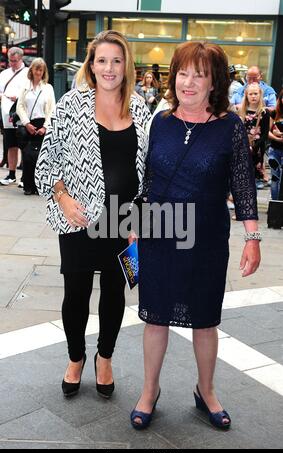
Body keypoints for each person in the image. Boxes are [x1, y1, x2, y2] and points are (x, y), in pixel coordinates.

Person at [130, 41, 261, 431]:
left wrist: (252, 238)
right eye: (183, 73)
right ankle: (149, 390)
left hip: (205, 238)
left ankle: (206, 391)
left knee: (205, 321)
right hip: (159, 234)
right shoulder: (162, 122)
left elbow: (243, 184)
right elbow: (149, 179)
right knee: (155, 319)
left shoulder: (230, 128)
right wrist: (135, 227)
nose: (188, 82)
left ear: (213, 82)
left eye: (199, 75)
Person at [35, 30, 151, 399]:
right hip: (79, 217)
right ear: (91, 64)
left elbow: (150, 169)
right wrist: (63, 198)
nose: (109, 68)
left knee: (115, 292)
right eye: (102, 60)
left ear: (126, 65)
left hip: (123, 218)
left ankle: (104, 357)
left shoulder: (141, 108)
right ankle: (75, 358)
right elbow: (46, 161)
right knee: (76, 291)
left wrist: (141, 217)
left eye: (116, 60)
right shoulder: (71, 104)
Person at [16, 58, 55, 195]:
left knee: (41, 158)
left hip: (42, 125)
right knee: (27, 157)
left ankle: (39, 187)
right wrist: (26, 123)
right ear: (31, 70)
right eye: (36, 68)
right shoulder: (25, 87)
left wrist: (45, 127)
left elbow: (52, 110)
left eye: (41, 69)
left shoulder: (48, 88)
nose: (38, 71)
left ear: (44, 71)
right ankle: (28, 186)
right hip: (29, 124)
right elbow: (19, 106)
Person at [0, 47, 28, 185]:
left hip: (23, 116)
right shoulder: (4, 74)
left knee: (24, 145)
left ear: (21, 59)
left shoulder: (28, 73)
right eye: (10, 61)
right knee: (10, 145)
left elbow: (31, 92)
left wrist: (17, 97)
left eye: (15, 61)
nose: (12, 64)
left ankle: (25, 176)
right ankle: (11, 174)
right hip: (7, 115)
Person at [238, 83, 270, 189]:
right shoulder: (241, 111)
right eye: (250, 94)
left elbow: (265, 134)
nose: (253, 96)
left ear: (260, 95)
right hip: (241, 147)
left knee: (252, 178)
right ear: (246, 95)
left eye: (255, 93)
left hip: (256, 149)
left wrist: (254, 147)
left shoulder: (264, 113)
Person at [268, 88, 283, 200]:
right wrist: (276, 138)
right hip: (274, 149)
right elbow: (266, 132)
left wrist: (279, 133)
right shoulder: (274, 113)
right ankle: (274, 205)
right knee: (275, 178)